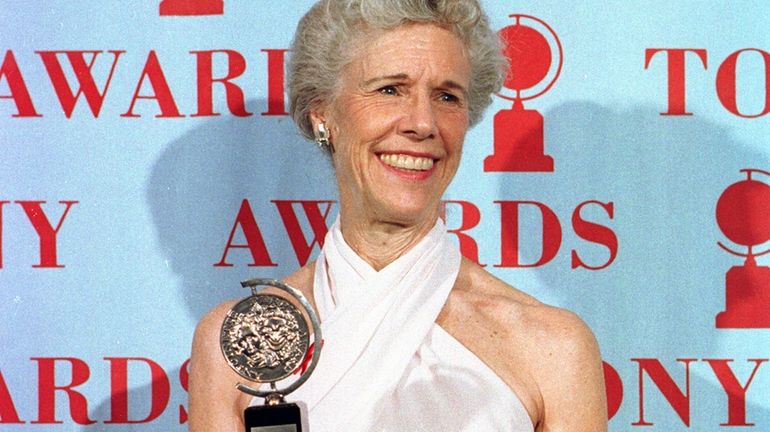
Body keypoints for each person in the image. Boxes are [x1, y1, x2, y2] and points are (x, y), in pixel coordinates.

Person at [189, 0, 608, 430]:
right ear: (322, 114)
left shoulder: (552, 347)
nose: (423, 123)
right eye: (390, 89)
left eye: (447, 96)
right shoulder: (239, 342)